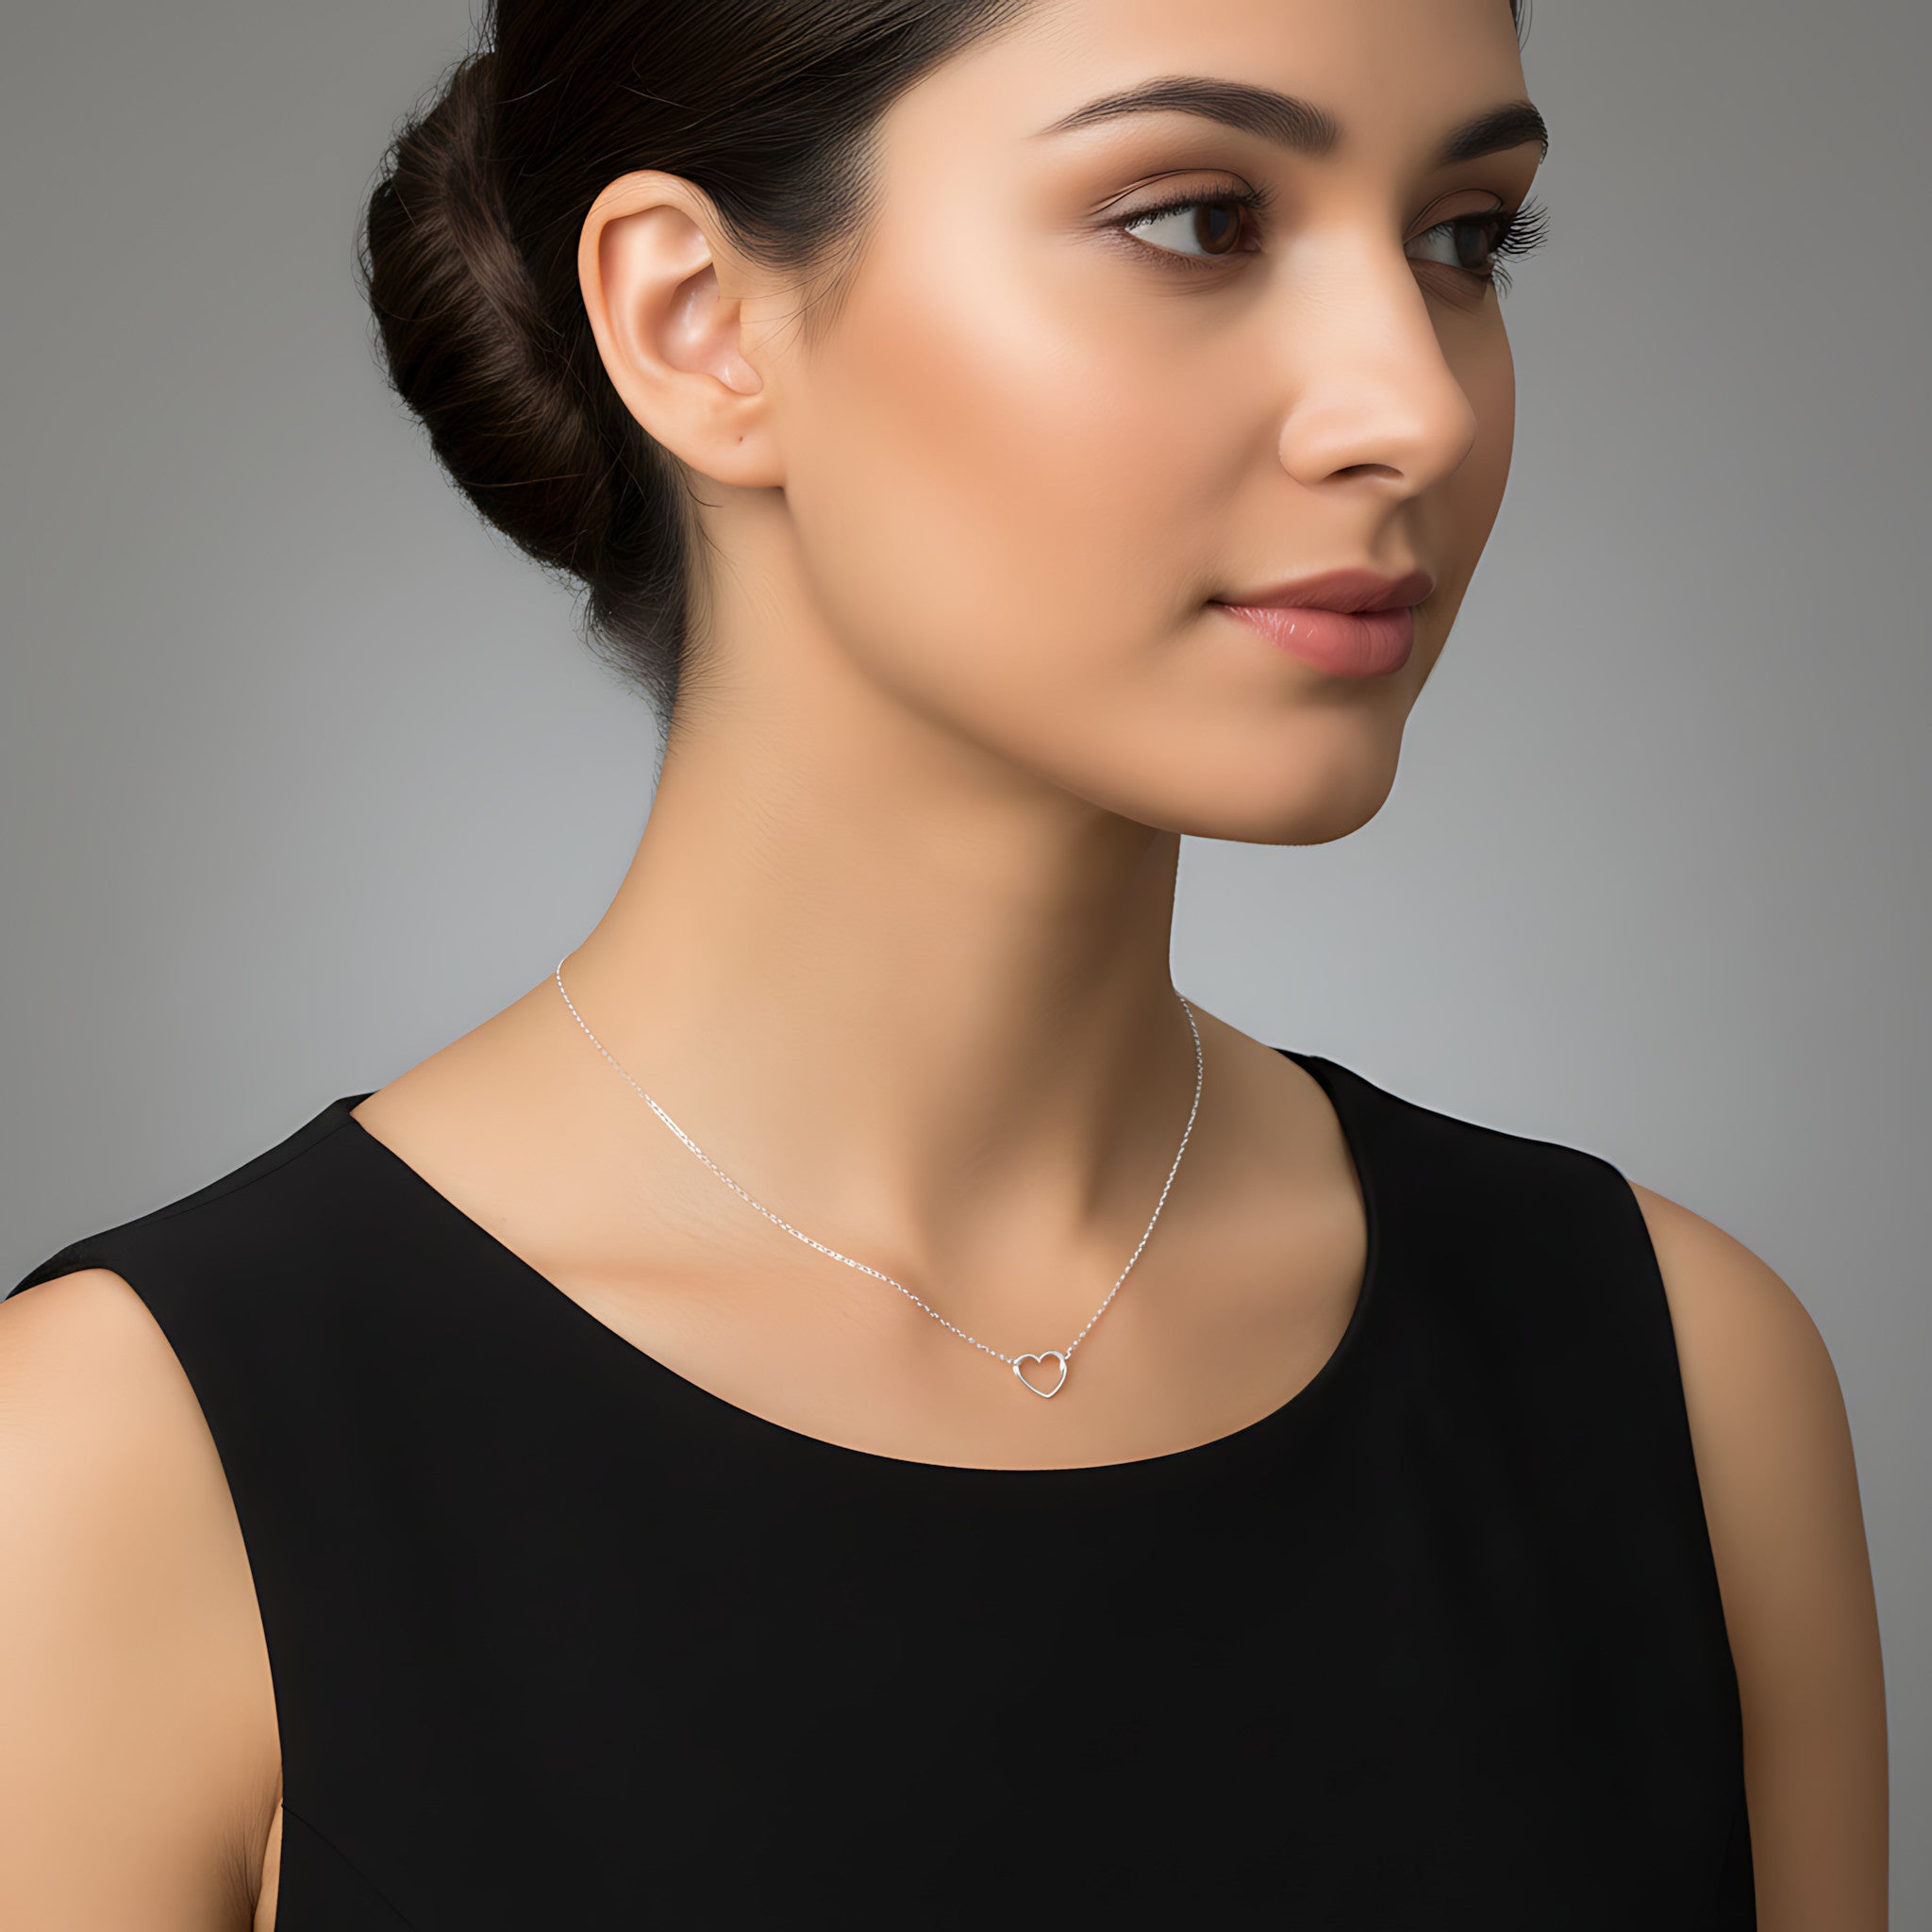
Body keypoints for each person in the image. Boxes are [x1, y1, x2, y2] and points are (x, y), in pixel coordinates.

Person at [0, 0, 1888, 1924]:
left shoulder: (1677, 1384)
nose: (1410, 403)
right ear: (696, 323)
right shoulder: (116, 1485)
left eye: (1463, 236)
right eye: (1194, 220)